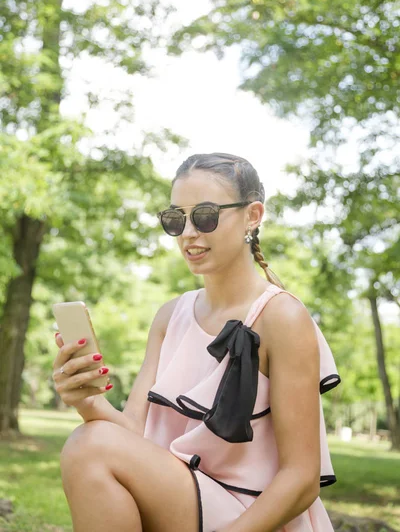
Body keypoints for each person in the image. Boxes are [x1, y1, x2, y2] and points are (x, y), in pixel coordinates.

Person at [52, 152, 341, 532]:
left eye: (205, 215)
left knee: (89, 444)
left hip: (254, 518)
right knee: (88, 440)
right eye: (176, 219)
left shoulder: (282, 317)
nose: (189, 232)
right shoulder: (170, 316)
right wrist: (88, 401)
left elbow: (301, 478)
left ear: (253, 216)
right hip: (185, 498)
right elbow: (133, 436)